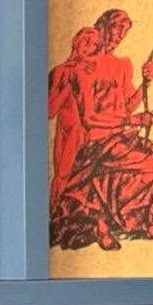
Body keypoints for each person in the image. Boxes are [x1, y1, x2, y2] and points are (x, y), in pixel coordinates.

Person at [51, 9, 153, 251]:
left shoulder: (121, 65)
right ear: (102, 26)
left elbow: (128, 105)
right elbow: (90, 119)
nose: (121, 35)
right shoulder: (83, 68)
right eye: (117, 28)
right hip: (100, 143)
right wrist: (133, 121)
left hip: (122, 138)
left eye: (125, 31)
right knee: (152, 167)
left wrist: (145, 83)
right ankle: (132, 220)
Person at [48, 25, 102, 209]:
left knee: (80, 181)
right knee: (61, 177)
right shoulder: (60, 71)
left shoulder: (89, 73)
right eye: (86, 40)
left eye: (94, 44)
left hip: (84, 132)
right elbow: (50, 110)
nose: (89, 46)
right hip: (66, 131)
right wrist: (71, 84)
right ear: (75, 40)